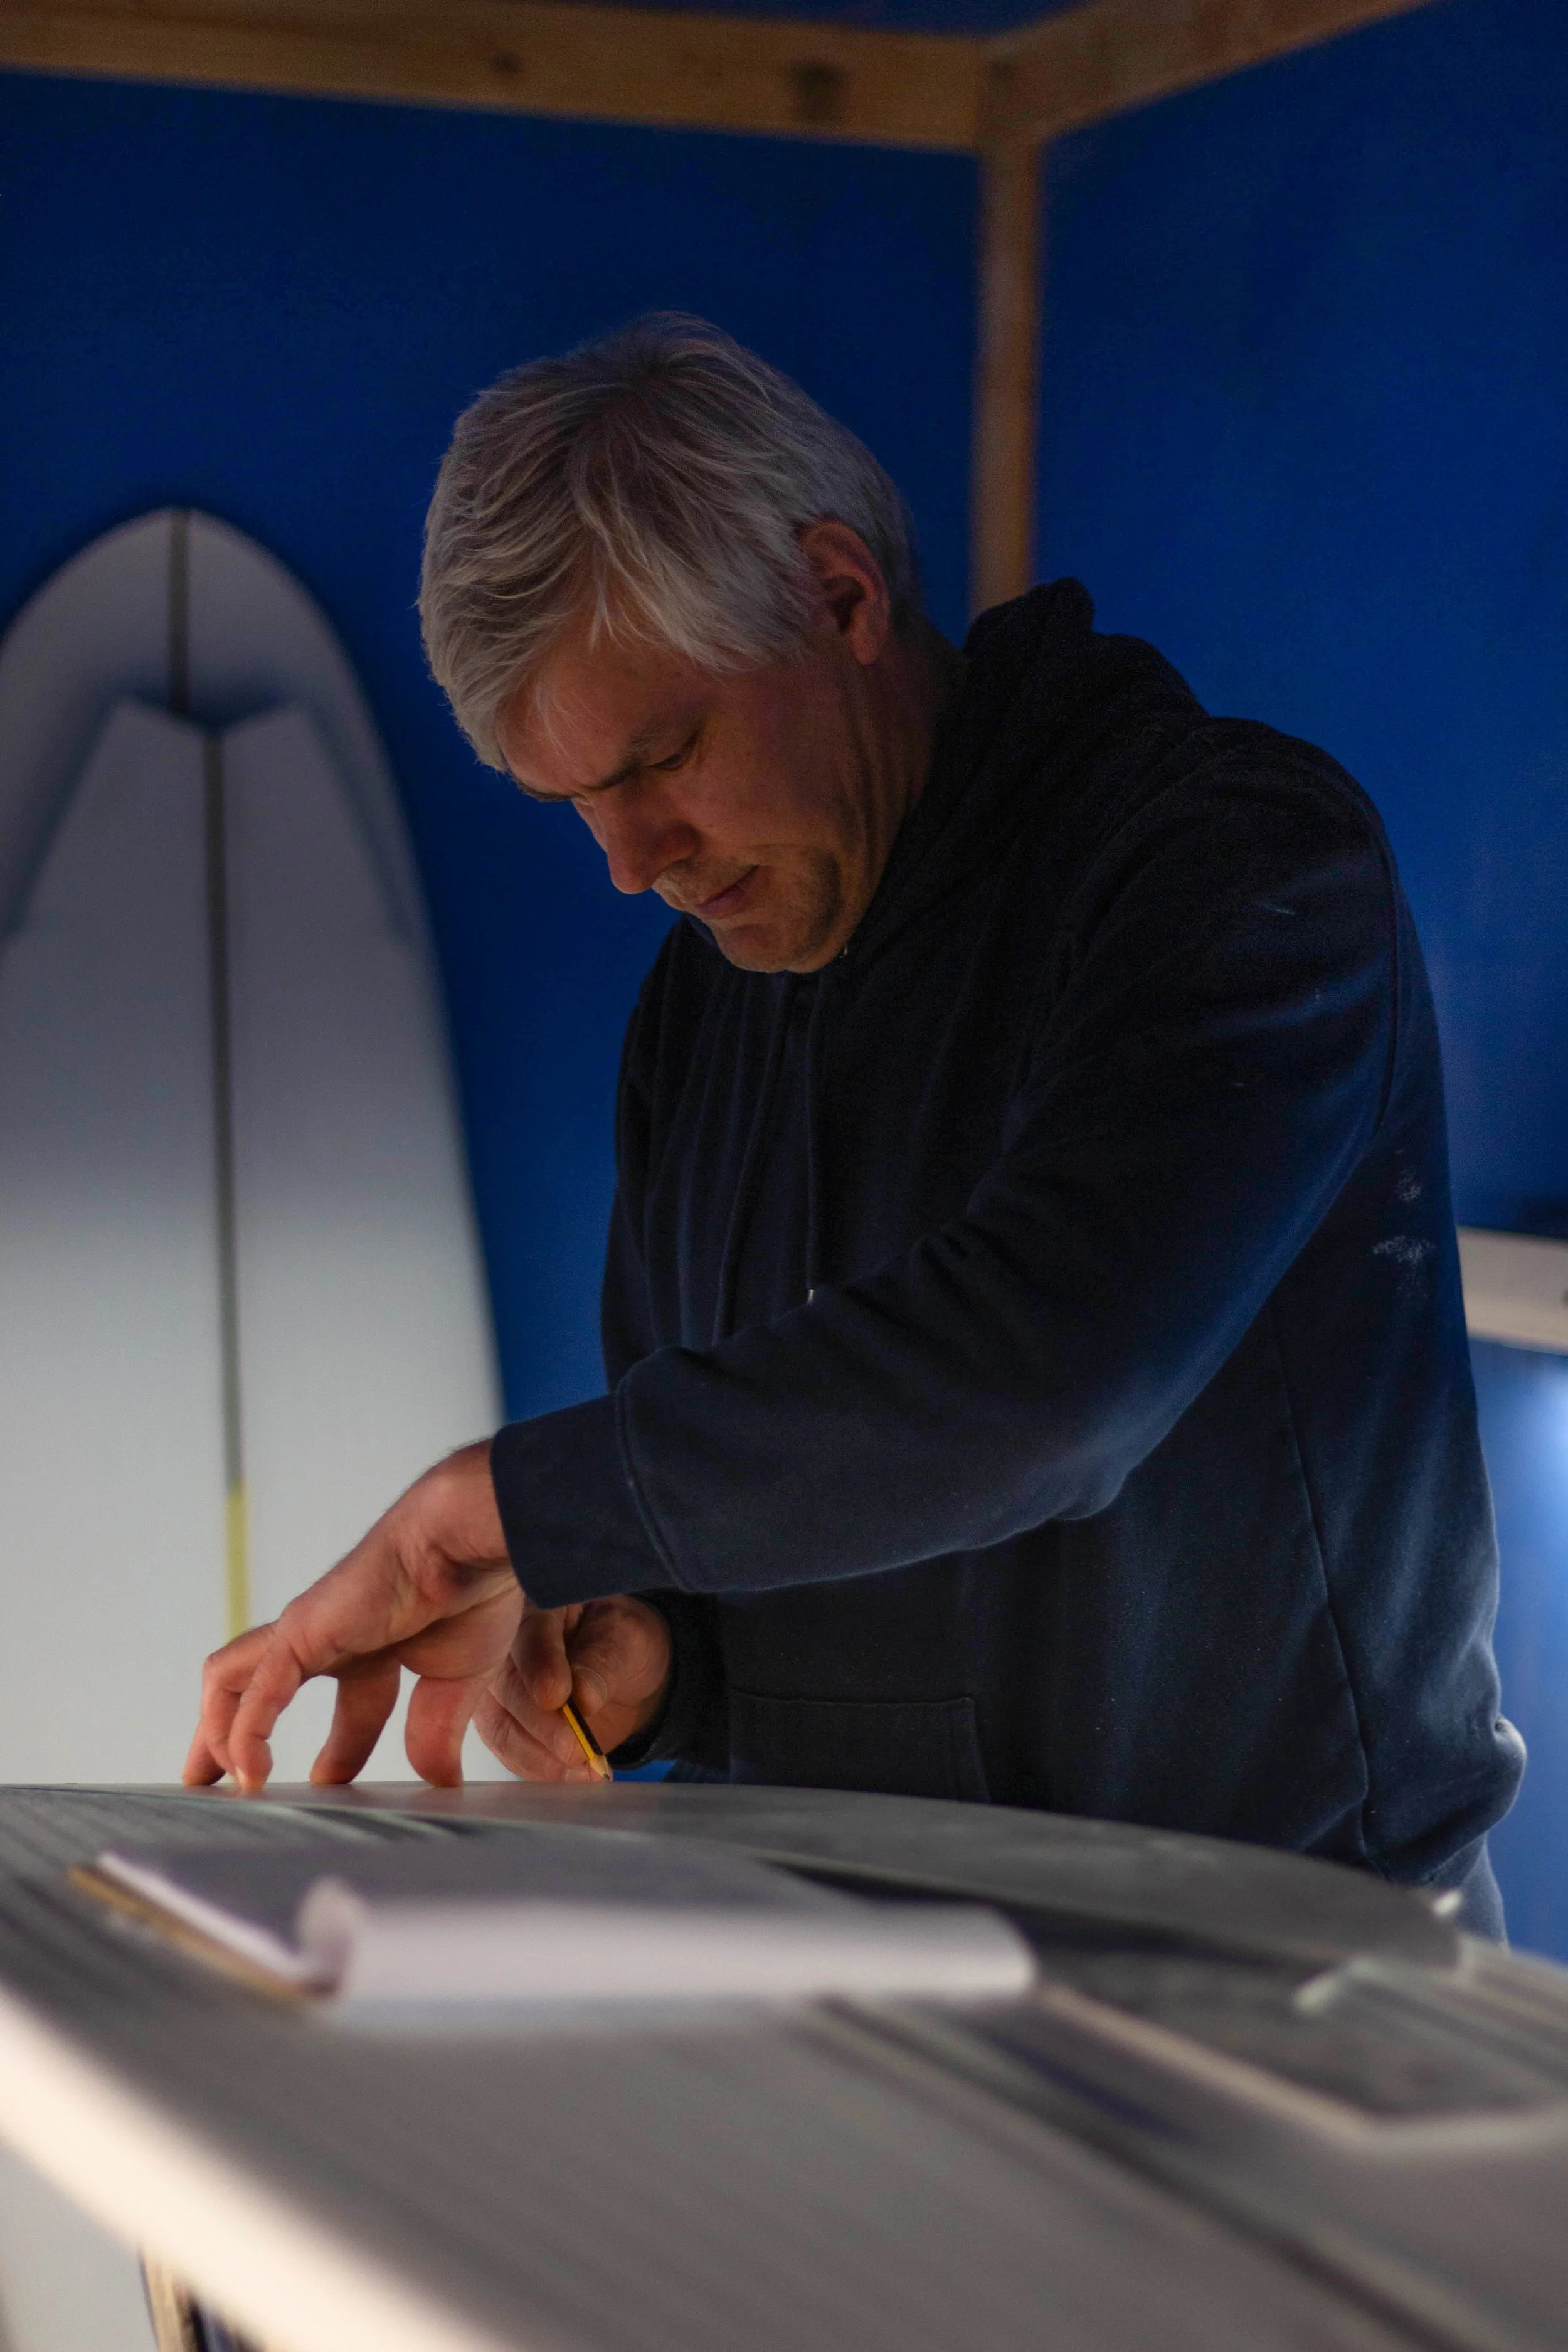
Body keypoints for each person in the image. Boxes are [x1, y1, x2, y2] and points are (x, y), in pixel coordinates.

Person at [186, 314, 1522, 1932]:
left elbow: (1050, 1378)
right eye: (576, 806)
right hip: (876, 1971)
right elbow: (793, 1513)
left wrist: (507, 1503)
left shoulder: (1227, 866)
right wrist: (657, 1668)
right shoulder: (699, 1007)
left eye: (663, 755)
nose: (632, 861)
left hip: (1284, 1987)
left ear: (839, 595)